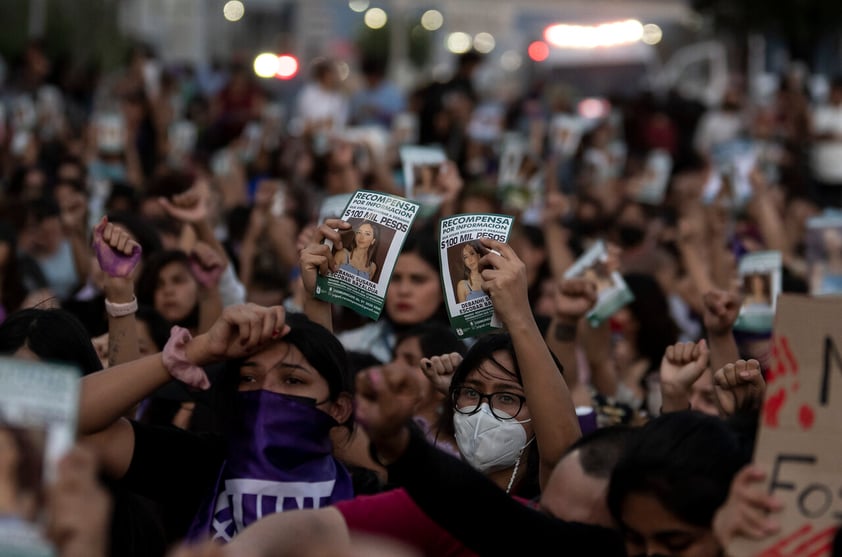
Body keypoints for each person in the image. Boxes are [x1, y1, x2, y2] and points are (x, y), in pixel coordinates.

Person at [77, 303, 357, 544]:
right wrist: (192, 353)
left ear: (339, 409)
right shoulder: (201, 465)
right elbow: (72, 421)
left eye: (292, 380)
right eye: (249, 378)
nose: (266, 393)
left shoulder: (365, 495)